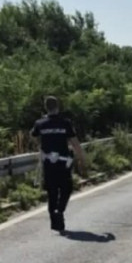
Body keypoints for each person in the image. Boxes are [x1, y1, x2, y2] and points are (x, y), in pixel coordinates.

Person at [30, 96, 87, 233]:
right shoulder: (65, 123)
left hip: (48, 163)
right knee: (66, 188)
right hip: (63, 163)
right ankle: (59, 210)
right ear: (58, 107)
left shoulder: (40, 123)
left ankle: (56, 222)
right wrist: (81, 159)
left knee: (52, 192)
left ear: (45, 107)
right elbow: (75, 143)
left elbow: (33, 136)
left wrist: (40, 146)